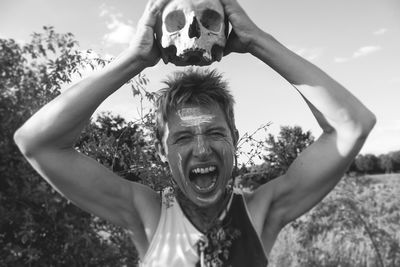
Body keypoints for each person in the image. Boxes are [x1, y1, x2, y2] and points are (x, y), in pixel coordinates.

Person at [14, 0, 376, 266]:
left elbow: (352, 125)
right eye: (183, 138)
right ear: (161, 149)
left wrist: (256, 40)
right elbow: (36, 142)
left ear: (234, 138)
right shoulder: (148, 214)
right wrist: (135, 58)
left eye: (215, 133)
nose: (201, 150)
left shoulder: (261, 212)